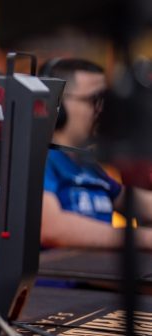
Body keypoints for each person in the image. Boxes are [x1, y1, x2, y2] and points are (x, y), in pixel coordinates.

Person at [39, 57, 152, 249]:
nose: (102, 110)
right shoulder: (40, 160)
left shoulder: (89, 166)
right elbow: (51, 227)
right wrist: (143, 238)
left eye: (104, 101)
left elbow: (138, 202)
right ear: (57, 104)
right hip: (60, 268)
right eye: (94, 99)